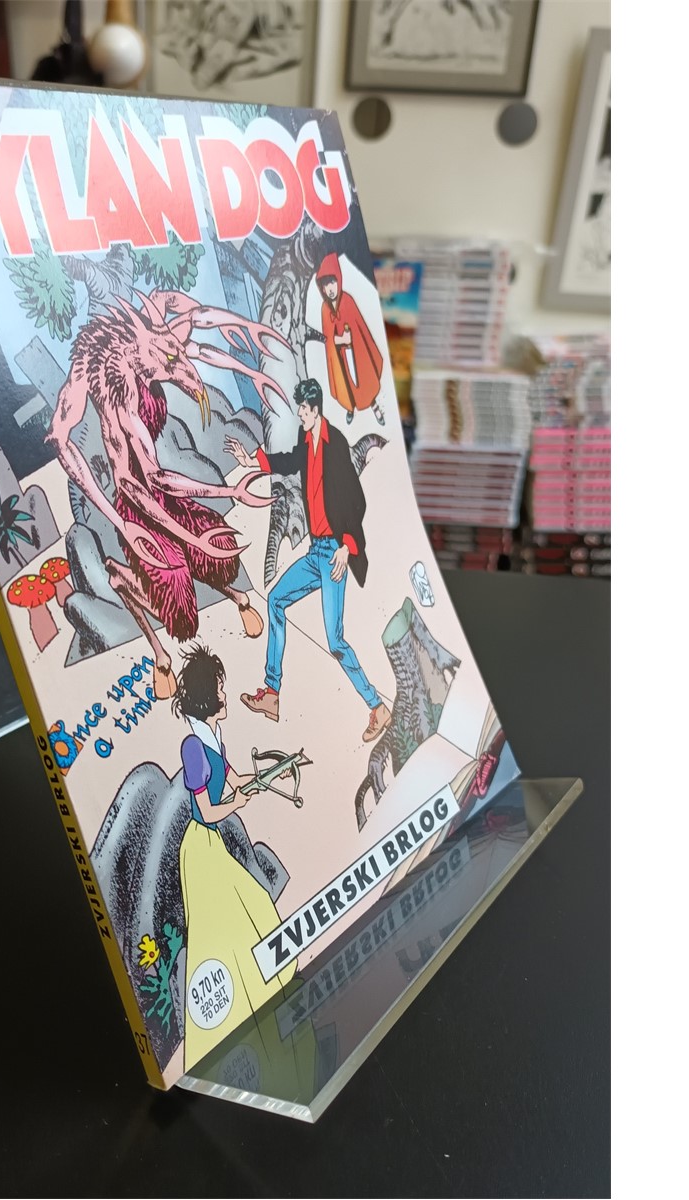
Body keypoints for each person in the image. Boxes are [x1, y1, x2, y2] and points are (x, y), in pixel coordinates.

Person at [225, 378, 392, 744]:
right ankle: (272, 693)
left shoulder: (336, 446)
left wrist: (347, 547)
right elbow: (289, 462)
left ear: (316, 410)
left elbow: (356, 500)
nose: (299, 414)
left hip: (333, 554)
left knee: (335, 640)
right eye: (299, 408)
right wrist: (253, 460)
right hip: (315, 552)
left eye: (303, 409)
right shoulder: (307, 440)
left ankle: (377, 706)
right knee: (275, 600)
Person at [174, 644, 295, 1069]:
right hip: (200, 848)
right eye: (220, 688)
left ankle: (264, 990)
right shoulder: (193, 746)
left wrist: (267, 776)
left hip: (212, 842)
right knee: (220, 928)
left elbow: (232, 779)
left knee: (252, 906)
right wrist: (237, 804)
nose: (225, 695)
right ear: (208, 696)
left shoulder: (213, 738)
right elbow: (207, 810)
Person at [316, 251, 386, 427]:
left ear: (338, 281)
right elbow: (327, 339)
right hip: (340, 358)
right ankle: (350, 408)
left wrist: (351, 339)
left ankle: (374, 406)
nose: (330, 288)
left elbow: (360, 327)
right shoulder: (324, 309)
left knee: (363, 382)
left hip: (356, 353)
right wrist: (339, 340)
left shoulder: (347, 300)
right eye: (326, 285)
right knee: (346, 385)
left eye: (332, 282)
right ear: (322, 288)